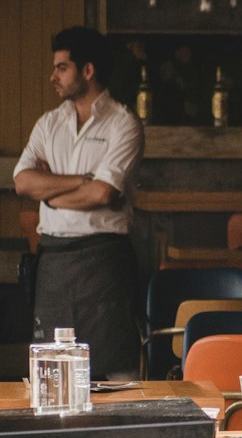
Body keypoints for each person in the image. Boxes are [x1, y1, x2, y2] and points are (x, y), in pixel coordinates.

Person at [13, 27, 144, 379]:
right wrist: (81, 180)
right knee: (52, 374)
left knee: (112, 371)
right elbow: (23, 181)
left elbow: (104, 194)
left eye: (61, 68)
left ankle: (117, 437)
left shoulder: (124, 123)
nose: (52, 76)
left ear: (87, 71)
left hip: (103, 262)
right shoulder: (48, 123)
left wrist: (51, 192)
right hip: (53, 261)